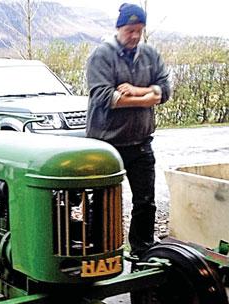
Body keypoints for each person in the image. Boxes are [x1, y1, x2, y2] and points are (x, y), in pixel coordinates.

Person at [85, 3, 171, 258]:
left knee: (145, 202)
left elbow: (165, 90)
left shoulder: (150, 55)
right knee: (102, 204)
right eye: (130, 30)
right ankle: (100, 252)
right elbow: (103, 97)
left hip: (141, 142)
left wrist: (136, 92)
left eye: (140, 30)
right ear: (119, 28)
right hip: (106, 144)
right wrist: (149, 96)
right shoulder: (101, 56)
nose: (135, 36)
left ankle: (142, 251)